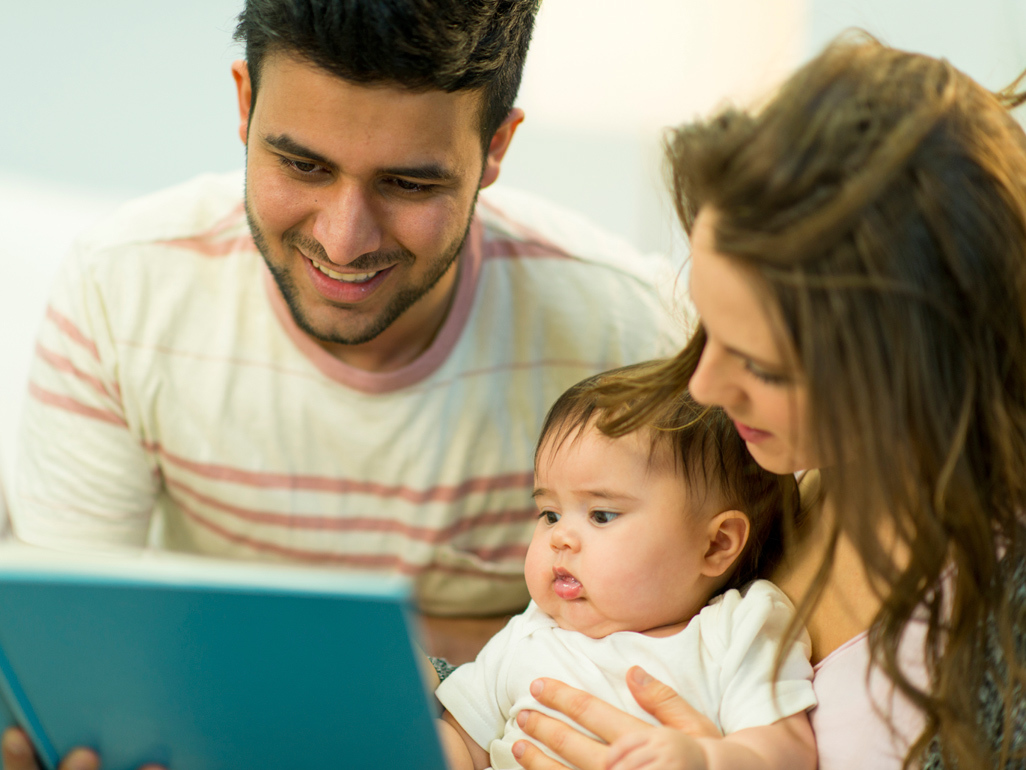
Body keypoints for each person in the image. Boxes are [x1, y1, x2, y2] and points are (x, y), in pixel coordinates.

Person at [9, 0, 682, 661]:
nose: (344, 241)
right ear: (245, 104)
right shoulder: (121, 291)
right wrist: (465, 635)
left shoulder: (629, 332)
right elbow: (74, 646)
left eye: (407, 184)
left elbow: (687, 653)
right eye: (304, 166)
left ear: (495, 147)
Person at [506, 35, 1026, 770]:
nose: (704, 387)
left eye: (761, 363)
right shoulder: (751, 474)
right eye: (709, 327)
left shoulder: (1004, 607)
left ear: (913, 360)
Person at [434, 363, 817, 770]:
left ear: (716, 545)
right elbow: (459, 738)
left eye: (601, 515)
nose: (560, 538)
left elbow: (785, 753)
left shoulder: (739, 628)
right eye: (549, 513)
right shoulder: (532, 629)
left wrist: (707, 761)